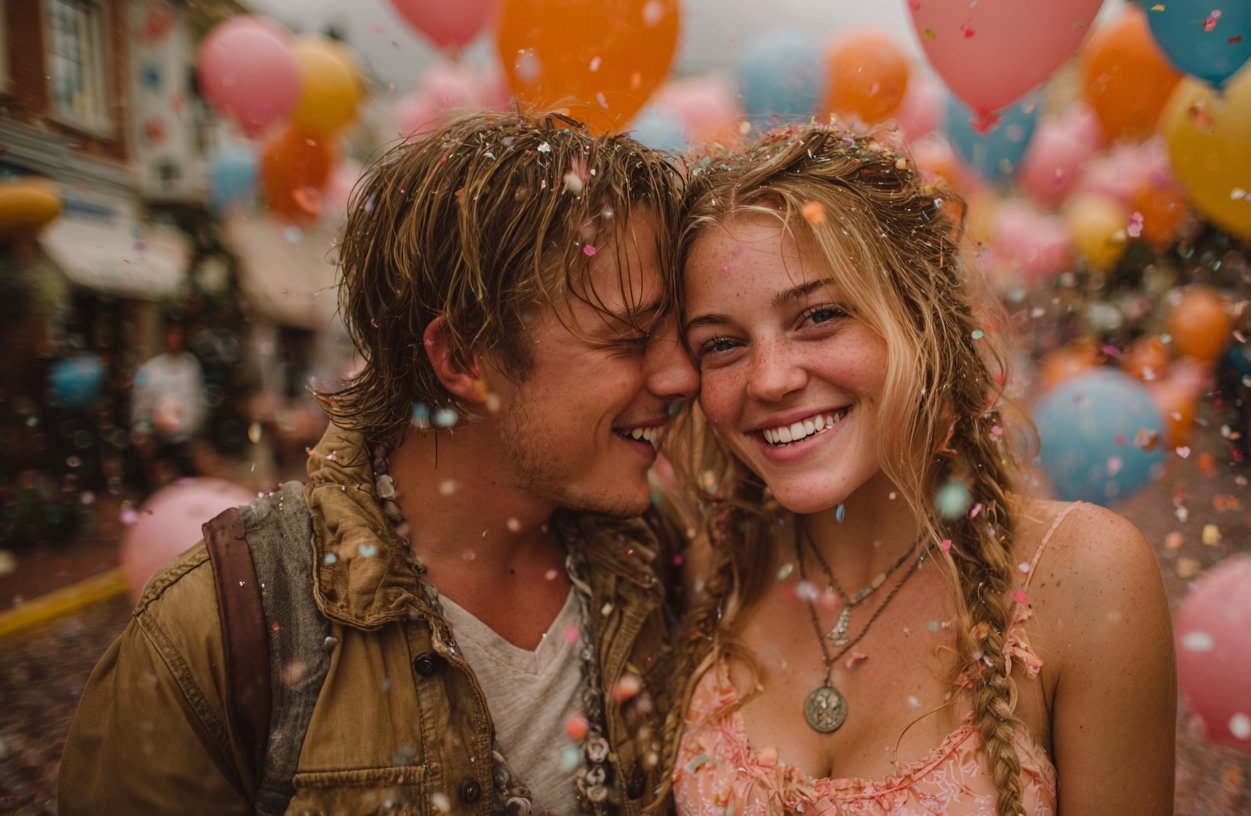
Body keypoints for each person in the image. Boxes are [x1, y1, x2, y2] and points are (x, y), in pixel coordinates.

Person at [60, 113, 698, 815]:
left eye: (682, 334)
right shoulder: (222, 628)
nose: (681, 378)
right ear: (464, 358)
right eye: (632, 339)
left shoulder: (657, 554)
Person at [658, 126, 1177, 815]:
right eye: (722, 344)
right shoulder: (700, 573)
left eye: (818, 316)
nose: (771, 380)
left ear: (922, 319)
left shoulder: (1083, 576)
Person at [130, 319, 206, 487]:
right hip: (160, 440)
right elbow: (141, 404)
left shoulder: (191, 367)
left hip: (184, 441)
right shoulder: (151, 369)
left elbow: (197, 402)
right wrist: (142, 433)